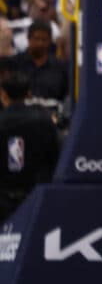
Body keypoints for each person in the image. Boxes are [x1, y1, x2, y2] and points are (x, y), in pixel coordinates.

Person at [0, 70, 59, 222]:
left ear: (3, 95)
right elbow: (55, 159)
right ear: (28, 94)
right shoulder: (45, 122)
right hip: (36, 200)